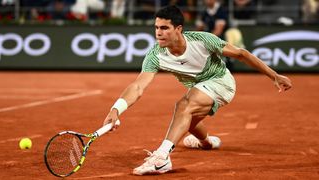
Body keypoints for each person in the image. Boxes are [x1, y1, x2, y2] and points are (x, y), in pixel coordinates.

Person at [103, 5, 292, 175]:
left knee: (183, 105)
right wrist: (116, 109)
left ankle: (161, 158)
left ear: (178, 29)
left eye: (164, 28)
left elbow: (241, 54)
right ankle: (206, 142)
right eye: (156, 28)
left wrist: (274, 75)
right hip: (199, 88)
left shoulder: (202, 40)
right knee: (188, 121)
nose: (158, 33)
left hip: (221, 82)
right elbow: (137, 86)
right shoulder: (155, 55)